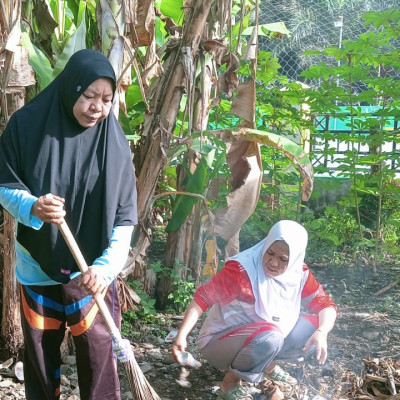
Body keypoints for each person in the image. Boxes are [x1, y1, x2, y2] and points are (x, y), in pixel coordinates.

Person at [0, 49, 137, 400]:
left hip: (90, 272)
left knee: (97, 350)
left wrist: (105, 268)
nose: (97, 107)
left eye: (106, 99)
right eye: (88, 95)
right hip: (37, 264)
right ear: (69, 88)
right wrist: (33, 206)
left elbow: (124, 217)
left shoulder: (113, 144)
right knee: (41, 357)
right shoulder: (27, 126)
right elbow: (4, 184)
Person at [172, 220, 338, 400]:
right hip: (219, 343)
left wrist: (322, 332)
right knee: (270, 336)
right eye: (270, 253)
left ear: (295, 259)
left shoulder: (299, 273)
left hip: (261, 338)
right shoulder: (242, 271)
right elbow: (202, 298)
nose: (273, 263)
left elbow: (326, 305)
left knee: (312, 326)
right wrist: (181, 335)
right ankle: (230, 384)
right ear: (265, 245)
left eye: (283, 260)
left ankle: (268, 365)